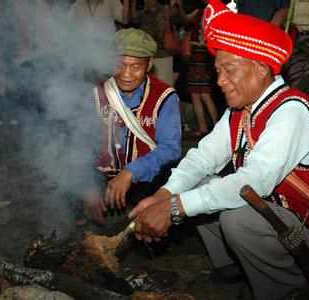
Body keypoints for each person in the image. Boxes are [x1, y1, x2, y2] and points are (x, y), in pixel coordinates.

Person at [128, 0, 309, 299]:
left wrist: (174, 208)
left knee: (237, 217)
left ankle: (285, 288)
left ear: (261, 69)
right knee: (203, 184)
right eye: (218, 71)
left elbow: (255, 183)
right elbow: (204, 156)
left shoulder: (292, 110)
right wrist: (164, 196)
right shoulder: (242, 110)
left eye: (229, 70)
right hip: (278, 218)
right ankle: (237, 268)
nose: (219, 81)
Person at [79, 28, 182, 229]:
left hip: (145, 180)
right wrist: (86, 186)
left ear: (149, 64)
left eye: (136, 66)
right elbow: (80, 144)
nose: (126, 74)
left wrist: (130, 172)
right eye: (120, 65)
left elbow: (171, 148)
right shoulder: (97, 94)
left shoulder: (165, 97)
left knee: (167, 210)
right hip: (104, 177)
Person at [178, 0, 218, 137]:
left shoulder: (205, 11)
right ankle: (208, 127)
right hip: (206, 54)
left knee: (200, 94)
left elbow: (186, 22)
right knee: (201, 94)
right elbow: (186, 21)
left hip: (199, 54)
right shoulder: (215, 11)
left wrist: (180, 6)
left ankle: (209, 127)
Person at [130, 0, 178, 85]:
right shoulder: (142, 14)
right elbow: (133, 21)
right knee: (147, 85)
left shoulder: (166, 10)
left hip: (164, 53)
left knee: (164, 84)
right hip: (147, 54)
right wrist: (133, 6)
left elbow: (177, 20)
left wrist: (174, 7)